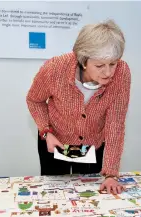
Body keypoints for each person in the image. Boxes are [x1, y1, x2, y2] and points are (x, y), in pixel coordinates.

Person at [26, 19, 131, 194]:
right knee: (55, 194)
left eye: (113, 63)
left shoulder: (121, 73)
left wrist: (111, 174)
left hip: (92, 145)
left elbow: (115, 123)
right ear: (83, 61)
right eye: (99, 65)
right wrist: (46, 131)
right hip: (56, 141)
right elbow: (34, 100)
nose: (108, 72)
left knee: (89, 193)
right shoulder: (55, 69)